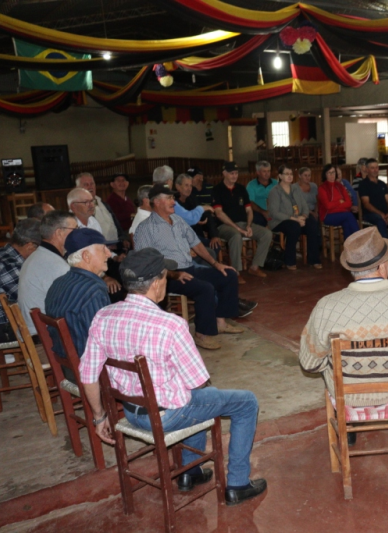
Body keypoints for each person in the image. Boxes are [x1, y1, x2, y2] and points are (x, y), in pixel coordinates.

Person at [78, 248, 267, 506]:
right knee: (245, 402)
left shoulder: (103, 316)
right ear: (157, 283)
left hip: (131, 412)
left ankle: (191, 473)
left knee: (199, 398)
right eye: (166, 277)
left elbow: (87, 373)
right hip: (166, 414)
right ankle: (238, 483)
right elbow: (197, 380)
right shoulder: (170, 324)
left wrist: (100, 416)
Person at [299, 227, 388, 423]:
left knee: (327, 361)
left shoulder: (326, 306)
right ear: (382, 266)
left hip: (346, 400)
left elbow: (310, 364)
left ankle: (347, 424)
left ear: (351, 268)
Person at [134, 184, 251, 350]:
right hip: (165, 276)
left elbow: (196, 244)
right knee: (205, 289)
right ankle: (202, 335)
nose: (173, 202)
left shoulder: (178, 220)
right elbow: (145, 261)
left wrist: (216, 264)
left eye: (173, 198)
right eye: (169, 198)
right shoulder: (146, 228)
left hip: (189, 268)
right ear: (157, 202)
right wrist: (173, 274)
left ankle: (220, 323)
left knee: (228, 275)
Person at [45, 228, 113, 360]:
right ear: (86, 256)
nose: (109, 254)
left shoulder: (59, 282)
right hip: (89, 370)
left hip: (66, 361)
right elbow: (101, 340)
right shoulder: (93, 289)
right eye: (103, 249)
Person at [213, 161, 273, 281]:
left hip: (243, 223)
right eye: (231, 173)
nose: (234, 176)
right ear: (224, 173)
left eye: (236, 173)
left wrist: (249, 225)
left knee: (266, 233)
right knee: (236, 236)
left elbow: (249, 210)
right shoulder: (217, 189)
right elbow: (219, 214)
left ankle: (255, 267)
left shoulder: (241, 189)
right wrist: (239, 229)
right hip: (224, 226)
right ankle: (236, 272)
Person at [18, 211, 75, 335]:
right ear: (59, 233)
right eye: (75, 230)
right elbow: (70, 310)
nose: (78, 234)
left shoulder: (39, 255)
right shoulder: (54, 265)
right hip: (44, 339)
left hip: (35, 332)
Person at [67, 187, 123, 299]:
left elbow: (101, 248)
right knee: (114, 289)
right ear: (73, 206)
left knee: (124, 270)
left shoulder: (93, 221)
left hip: (98, 261)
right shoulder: (69, 226)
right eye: (86, 202)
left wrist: (115, 256)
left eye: (92, 201)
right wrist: (103, 277)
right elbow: (80, 261)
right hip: (82, 269)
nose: (91, 205)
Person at [267, 165, 322, 270]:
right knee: (294, 227)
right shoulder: (275, 191)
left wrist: (304, 216)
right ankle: (290, 261)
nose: (289, 176)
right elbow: (274, 213)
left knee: (312, 223)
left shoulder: (295, 188)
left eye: (291, 174)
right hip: (279, 221)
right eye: (286, 174)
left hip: (297, 219)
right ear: (280, 176)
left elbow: (304, 205)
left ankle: (314, 259)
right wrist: (295, 219)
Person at [0, 219, 41, 343]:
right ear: (30, 246)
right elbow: (29, 300)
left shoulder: (0, 254)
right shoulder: (10, 265)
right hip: (2, 328)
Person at [75, 173, 129, 250]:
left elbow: (116, 224)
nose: (90, 187)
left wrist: (123, 239)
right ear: (78, 188)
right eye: (86, 184)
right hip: (100, 248)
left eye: (92, 184)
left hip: (116, 244)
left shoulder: (103, 204)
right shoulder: (80, 209)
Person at [175, 173, 220, 260]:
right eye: (186, 185)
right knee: (206, 253)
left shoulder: (192, 198)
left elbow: (206, 214)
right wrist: (195, 220)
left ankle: (208, 268)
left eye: (191, 186)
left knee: (215, 245)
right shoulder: (173, 202)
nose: (189, 189)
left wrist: (214, 235)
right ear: (178, 187)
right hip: (183, 238)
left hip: (196, 235)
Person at [318, 164, 359, 240]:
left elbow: (349, 203)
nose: (332, 175)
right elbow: (328, 206)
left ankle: (348, 248)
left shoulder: (340, 186)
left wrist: (336, 204)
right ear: (325, 174)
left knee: (346, 223)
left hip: (343, 214)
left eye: (333, 172)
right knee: (349, 216)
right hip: (328, 216)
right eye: (329, 173)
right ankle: (360, 239)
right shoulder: (322, 188)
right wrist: (340, 202)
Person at [358, 157, 388, 238]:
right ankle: (386, 247)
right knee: (381, 220)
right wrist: (380, 213)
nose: (375, 170)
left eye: (377, 167)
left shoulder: (382, 184)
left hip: (386, 213)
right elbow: (366, 204)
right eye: (372, 168)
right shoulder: (363, 185)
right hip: (370, 214)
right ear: (367, 169)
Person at [246, 161, 277, 227]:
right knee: (258, 219)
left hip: (275, 211)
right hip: (259, 212)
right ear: (258, 172)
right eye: (264, 171)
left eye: (268, 171)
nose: (267, 174)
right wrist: (264, 212)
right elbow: (250, 202)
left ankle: (278, 236)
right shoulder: (251, 185)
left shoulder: (275, 183)